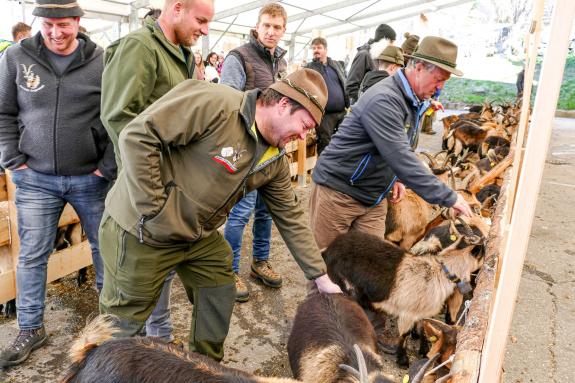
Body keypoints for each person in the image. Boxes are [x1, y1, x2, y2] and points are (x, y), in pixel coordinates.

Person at [98, 68, 342, 362]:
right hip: (142, 228)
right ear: (283, 105)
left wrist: (319, 275)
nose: (304, 137)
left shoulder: (276, 158)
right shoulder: (216, 104)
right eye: (304, 125)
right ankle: (102, 367)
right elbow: (137, 136)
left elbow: (290, 216)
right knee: (123, 323)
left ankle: (205, 368)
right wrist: (155, 209)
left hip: (194, 233)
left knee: (218, 287)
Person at [0, 0, 115, 368]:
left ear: (79, 22)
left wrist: (107, 165)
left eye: (63, 24)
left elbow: (117, 114)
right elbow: (3, 111)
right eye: (48, 25)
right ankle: (31, 328)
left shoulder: (101, 60)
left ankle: (111, 325)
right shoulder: (16, 58)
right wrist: (12, 160)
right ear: (39, 23)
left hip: (90, 177)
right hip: (34, 179)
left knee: (105, 248)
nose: (55, 33)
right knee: (32, 253)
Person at [100, 0, 214, 343]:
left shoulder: (182, 55)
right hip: (144, 191)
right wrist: (150, 187)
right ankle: (118, 357)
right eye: (201, 20)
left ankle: (158, 349)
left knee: (161, 276)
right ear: (177, 8)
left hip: (170, 188)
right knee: (133, 287)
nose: (205, 30)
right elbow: (119, 119)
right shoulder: (140, 48)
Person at [309, 36, 473, 250]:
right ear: (420, 68)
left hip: (372, 196)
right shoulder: (385, 99)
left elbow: (395, 145)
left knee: (369, 268)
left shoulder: (412, 99)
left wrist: (393, 176)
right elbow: (401, 156)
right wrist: (448, 197)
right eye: (439, 79)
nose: (441, 87)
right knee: (327, 268)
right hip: (338, 192)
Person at [220, 3, 288, 302]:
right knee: (239, 213)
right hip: (248, 152)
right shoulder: (240, 57)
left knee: (266, 211)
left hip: (273, 151)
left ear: (283, 30)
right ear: (257, 27)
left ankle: (260, 262)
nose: (271, 32)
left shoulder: (280, 62)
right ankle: (229, 271)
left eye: (277, 27)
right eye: (267, 26)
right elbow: (226, 103)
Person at [305, 37, 349, 155]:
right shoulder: (309, 68)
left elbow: (344, 81)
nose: (316, 50)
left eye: (319, 47)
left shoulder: (336, 65)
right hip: (324, 115)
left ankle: (340, 168)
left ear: (326, 50)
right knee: (325, 144)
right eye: (314, 48)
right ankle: (324, 170)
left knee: (345, 141)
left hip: (341, 111)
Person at [345, 23, 396, 105]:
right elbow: (350, 86)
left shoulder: (379, 56)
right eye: (392, 41)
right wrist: (366, 100)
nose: (393, 45)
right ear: (385, 40)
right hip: (362, 108)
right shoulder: (364, 55)